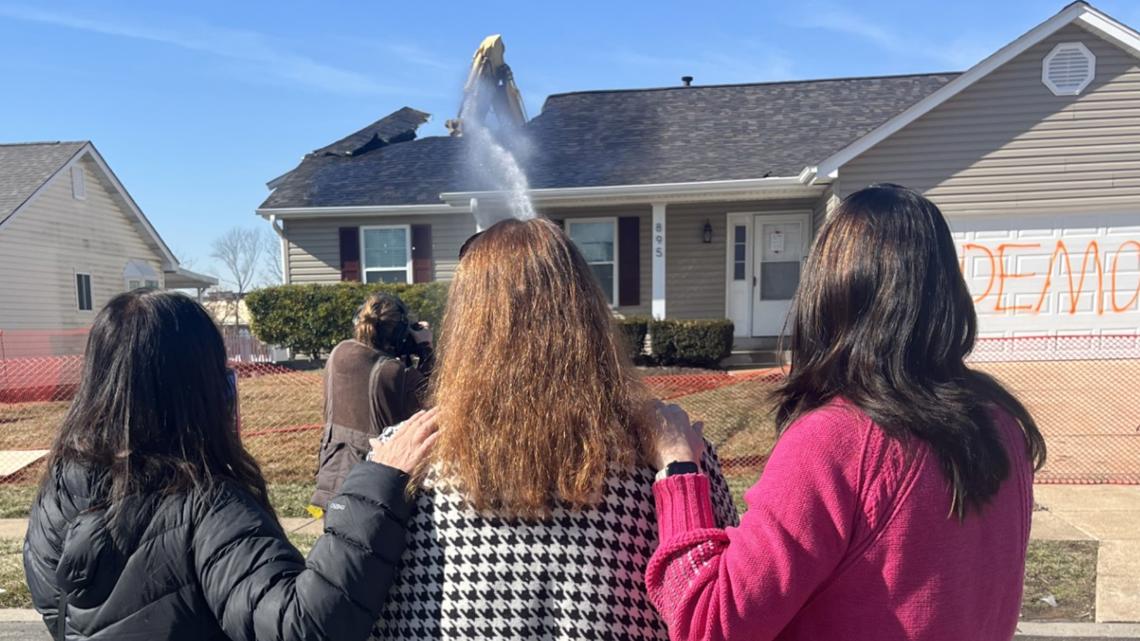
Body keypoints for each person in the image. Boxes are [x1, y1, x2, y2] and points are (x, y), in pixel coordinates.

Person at [646, 184, 1047, 641]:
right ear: (945, 291)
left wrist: (678, 470)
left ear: (829, 291)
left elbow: (711, 624)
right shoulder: (1002, 424)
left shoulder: (837, 440)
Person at [371, 218, 739, 641]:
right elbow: (723, 608)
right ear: (589, 315)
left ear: (464, 325)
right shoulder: (671, 453)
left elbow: (363, 607)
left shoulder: (401, 460)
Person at [23, 290, 438, 641]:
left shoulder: (56, 492)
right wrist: (377, 484)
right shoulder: (205, 508)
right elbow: (302, 625)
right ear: (198, 389)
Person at [311, 292, 434, 508]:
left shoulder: (339, 354)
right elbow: (435, 400)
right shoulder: (395, 373)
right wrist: (425, 348)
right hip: (376, 486)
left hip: (332, 480)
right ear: (400, 334)